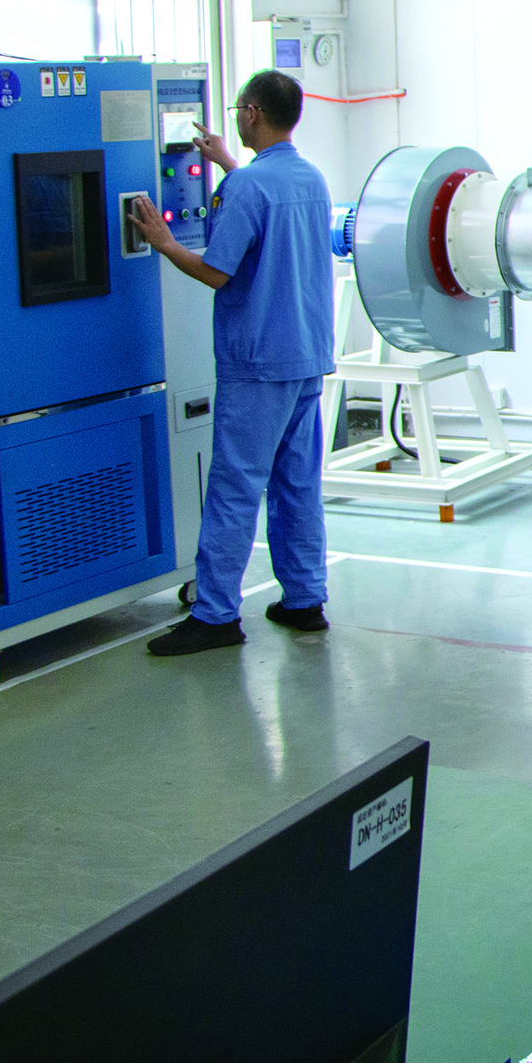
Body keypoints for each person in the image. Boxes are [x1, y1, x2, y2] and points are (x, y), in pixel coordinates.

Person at [130, 70, 336, 657]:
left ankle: (216, 615)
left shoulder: (245, 188)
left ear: (251, 114)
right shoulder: (309, 178)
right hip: (304, 356)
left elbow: (217, 272)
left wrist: (165, 243)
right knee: (297, 485)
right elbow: (266, 212)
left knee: (234, 488)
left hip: (258, 362)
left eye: (238, 110)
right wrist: (225, 163)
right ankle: (304, 599)